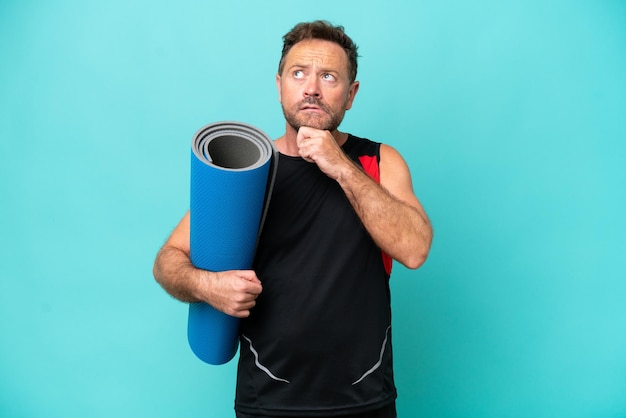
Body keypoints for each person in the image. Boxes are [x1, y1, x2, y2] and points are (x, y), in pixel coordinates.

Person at [153, 20, 433, 418]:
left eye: (329, 76)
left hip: (364, 400)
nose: (312, 88)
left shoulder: (380, 161)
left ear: (350, 94)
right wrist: (208, 285)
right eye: (298, 73)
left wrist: (341, 166)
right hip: (266, 401)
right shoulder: (249, 169)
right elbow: (168, 261)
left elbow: (415, 248)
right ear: (280, 84)